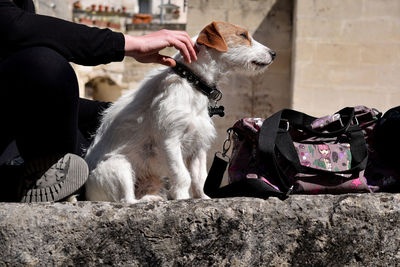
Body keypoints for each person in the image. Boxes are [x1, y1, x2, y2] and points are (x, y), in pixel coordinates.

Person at [0, 0, 197, 202]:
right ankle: (18, 178)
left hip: (21, 130)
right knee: (44, 65)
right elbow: (11, 25)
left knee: (108, 139)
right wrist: (128, 44)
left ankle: (38, 177)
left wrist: (120, 113)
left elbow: (32, 99)